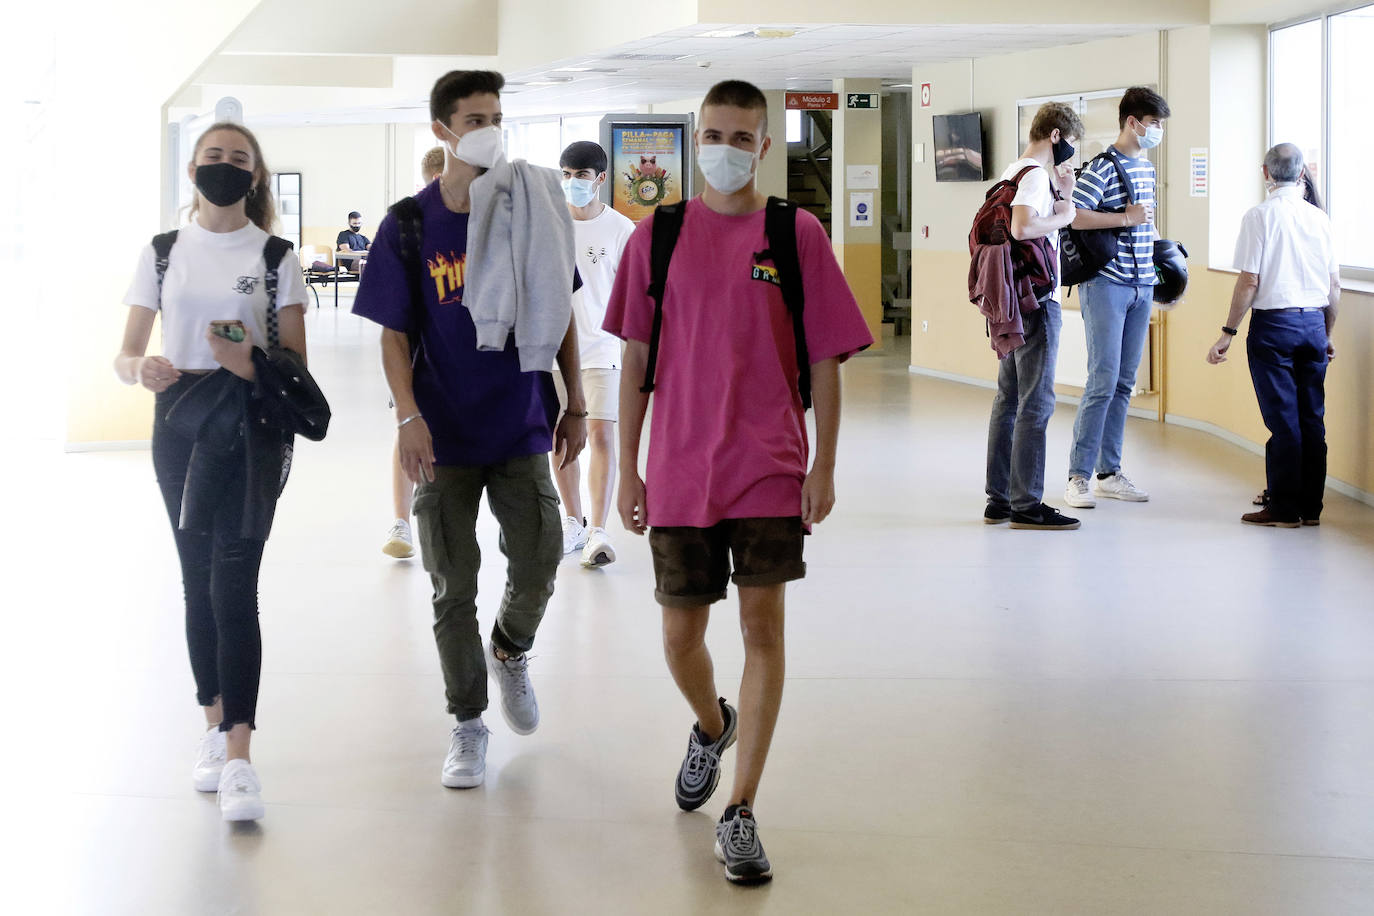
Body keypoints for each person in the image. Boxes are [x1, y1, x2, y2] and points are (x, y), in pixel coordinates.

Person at [604, 80, 872, 884]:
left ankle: (742, 809)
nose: (725, 146)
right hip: (682, 470)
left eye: (741, 135)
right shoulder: (657, 235)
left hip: (768, 466)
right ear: (696, 137)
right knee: (680, 639)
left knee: (763, 633)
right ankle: (710, 722)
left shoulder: (797, 234)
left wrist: (824, 461)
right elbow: (636, 360)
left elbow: (825, 358)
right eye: (712, 132)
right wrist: (628, 467)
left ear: (764, 145)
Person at [353, 70, 587, 789]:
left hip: (519, 422)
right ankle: (467, 722)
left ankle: (511, 648)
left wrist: (574, 402)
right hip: (444, 434)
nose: (490, 127)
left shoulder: (530, 206)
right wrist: (409, 417)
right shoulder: (409, 223)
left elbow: (561, 309)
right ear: (442, 131)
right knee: (452, 583)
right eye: (475, 117)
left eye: (496, 114)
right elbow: (393, 336)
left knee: (543, 554)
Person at [115, 122, 310, 822]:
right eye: (213, 158)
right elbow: (127, 352)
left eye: (238, 159)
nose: (224, 167)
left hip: (253, 428)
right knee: (197, 580)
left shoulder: (277, 256)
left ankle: (240, 757)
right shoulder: (163, 253)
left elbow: (297, 366)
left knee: (235, 580)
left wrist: (248, 361)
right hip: (180, 424)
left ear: (255, 174)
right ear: (192, 169)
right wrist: (143, 368)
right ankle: (211, 725)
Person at [1206, 143, 1340, 527]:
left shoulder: (1259, 216)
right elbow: (1335, 285)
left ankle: (1283, 509)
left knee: (1283, 421)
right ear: (1301, 174)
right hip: (1313, 324)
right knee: (1312, 417)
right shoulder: (1320, 219)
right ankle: (1310, 509)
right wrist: (1327, 333)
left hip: (1273, 328)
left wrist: (1227, 333)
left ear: (1265, 172)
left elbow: (1249, 280)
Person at [1063, 86, 1170, 510]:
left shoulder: (1146, 168)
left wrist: (1164, 279)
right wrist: (1125, 216)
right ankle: (1078, 476)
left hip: (1142, 286)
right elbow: (1074, 215)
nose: (1157, 131)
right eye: (1155, 124)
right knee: (1102, 382)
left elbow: (1149, 228)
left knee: (1124, 383)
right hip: (1106, 285)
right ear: (1133, 122)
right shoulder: (1104, 168)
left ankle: (1109, 471)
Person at [983, 102, 1084, 530]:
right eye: (1072, 144)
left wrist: (1065, 194)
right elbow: (1023, 227)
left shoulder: (1013, 171)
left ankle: (999, 497)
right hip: (1036, 301)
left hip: (1009, 299)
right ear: (1056, 137)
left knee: (1008, 398)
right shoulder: (1036, 176)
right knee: (1036, 402)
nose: (1072, 155)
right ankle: (1027, 503)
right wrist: (1065, 214)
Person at [554, 140, 636, 567]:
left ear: (600, 179)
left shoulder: (622, 230)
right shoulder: (549, 225)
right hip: (552, 352)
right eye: (566, 175)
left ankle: (599, 530)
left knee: (602, 434)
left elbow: (636, 296)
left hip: (602, 348)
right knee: (562, 441)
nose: (572, 183)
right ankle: (573, 521)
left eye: (581, 176)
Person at [383, 148, 449, 559]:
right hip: (414, 350)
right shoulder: (409, 228)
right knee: (408, 429)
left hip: (457, 354)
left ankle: (436, 518)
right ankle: (401, 522)